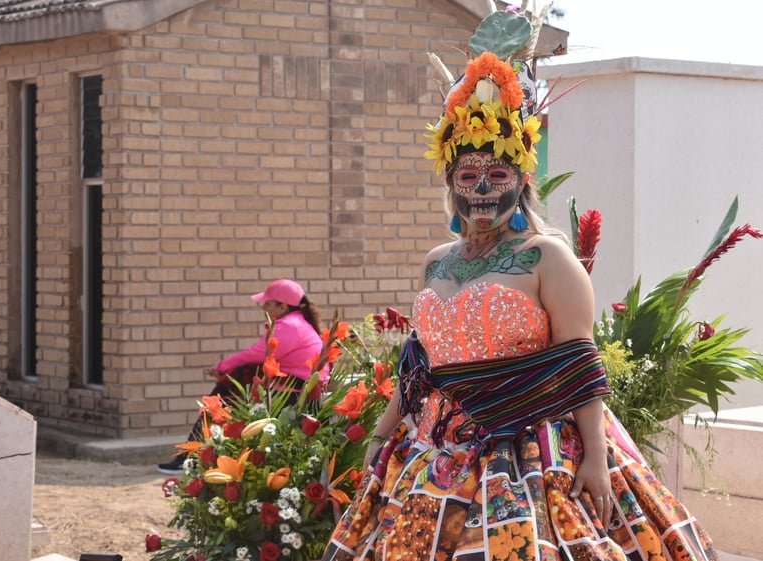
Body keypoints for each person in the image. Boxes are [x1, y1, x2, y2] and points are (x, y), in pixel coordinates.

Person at [321, 7, 718, 561]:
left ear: (522, 180)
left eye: (498, 175)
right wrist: (384, 433)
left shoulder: (548, 257)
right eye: (467, 176)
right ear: (450, 183)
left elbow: (580, 365)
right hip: (434, 452)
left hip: (535, 453)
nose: (482, 188)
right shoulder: (436, 263)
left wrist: (596, 460)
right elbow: (419, 362)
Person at [157, 278, 325, 475]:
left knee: (223, 394)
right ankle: (198, 455)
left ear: (282, 306)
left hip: (297, 391)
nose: (263, 307)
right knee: (231, 386)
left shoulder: (290, 326)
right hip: (293, 385)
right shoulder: (295, 322)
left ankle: (191, 456)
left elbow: (258, 354)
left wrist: (223, 366)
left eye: (268, 303)